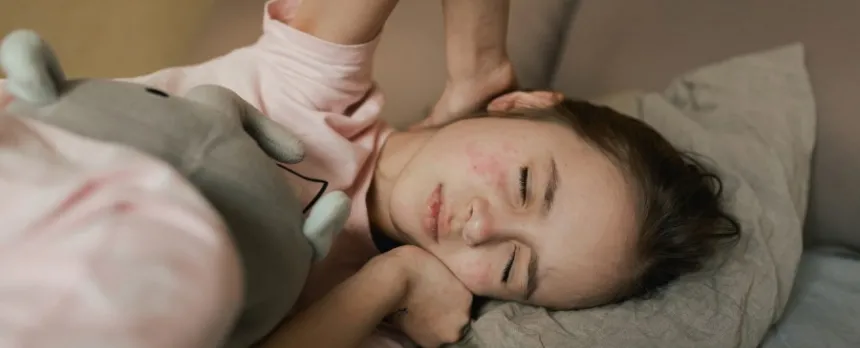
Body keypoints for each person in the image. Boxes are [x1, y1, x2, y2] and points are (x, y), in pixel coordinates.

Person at [0, 0, 741, 347]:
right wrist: (478, 61)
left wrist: (393, 281)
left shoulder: (365, 311)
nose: (482, 227)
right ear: (516, 105)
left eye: (514, 266)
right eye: (523, 185)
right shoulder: (314, 96)